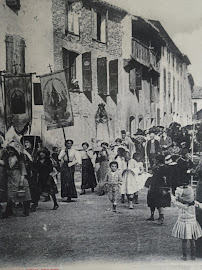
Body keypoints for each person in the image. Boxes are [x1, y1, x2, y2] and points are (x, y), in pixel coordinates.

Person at [171, 184, 202, 260]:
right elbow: (201, 206)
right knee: (192, 240)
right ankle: (193, 256)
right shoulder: (194, 203)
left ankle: (184, 256)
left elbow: (174, 201)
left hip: (183, 222)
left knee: (184, 241)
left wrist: (171, 194)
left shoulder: (180, 204)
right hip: (192, 223)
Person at [1, 141, 31, 218]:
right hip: (11, 178)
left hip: (19, 178)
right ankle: (9, 211)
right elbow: (4, 164)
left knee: (23, 195)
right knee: (10, 195)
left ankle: (26, 210)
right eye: (9, 150)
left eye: (12, 149)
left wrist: (21, 181)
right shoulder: (7, 158)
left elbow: (23, 171)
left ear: (16, 150)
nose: (10, 151)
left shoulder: (20, 159)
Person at [146, 154, 171, 224]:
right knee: (152, 201)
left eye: (155, 159)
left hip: (159, 187)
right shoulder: (158, 167)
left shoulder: (163, 168)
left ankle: (161, 217)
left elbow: (164, 178)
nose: (154, 160)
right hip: (155, 186)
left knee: (159, 203)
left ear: (158, 160)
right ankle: (152, 215)